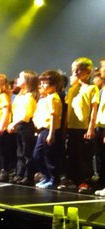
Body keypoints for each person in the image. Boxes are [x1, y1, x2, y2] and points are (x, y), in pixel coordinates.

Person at [59, 57, 99, 193]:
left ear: (88, 72)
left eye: (78, 70)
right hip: (72, 128)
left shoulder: (92, 89)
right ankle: (72, 179)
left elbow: (94, 110)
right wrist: (65, 128)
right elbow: (69, 110)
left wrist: (91, 128)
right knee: (71, 154)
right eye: (73, 70)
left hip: (84, 128)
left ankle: (85, 181)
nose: (75, 73)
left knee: (84, 156)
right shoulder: (72, 90)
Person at [7, 70, 39, 185]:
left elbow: (26, 115)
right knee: (19, 152)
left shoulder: (29, 96)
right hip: (19, 125)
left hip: (26, 126)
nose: (18, 79)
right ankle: (19, 174)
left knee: (26, 152)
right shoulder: (21, 95)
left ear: (27, 81)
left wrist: (13, 123)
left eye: (20, 77)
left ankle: (27, 176)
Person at [32, 70, 63, 189]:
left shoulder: (53, 98)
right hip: (42, 130)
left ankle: (53, 179)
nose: (43, 85)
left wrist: (51, 133)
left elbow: (53, 116)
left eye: (46, 83)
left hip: (49, 130)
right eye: (42, 83)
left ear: (54, 85)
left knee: (48, 156)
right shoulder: (46, 98)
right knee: (37, 155)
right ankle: (47, 176)